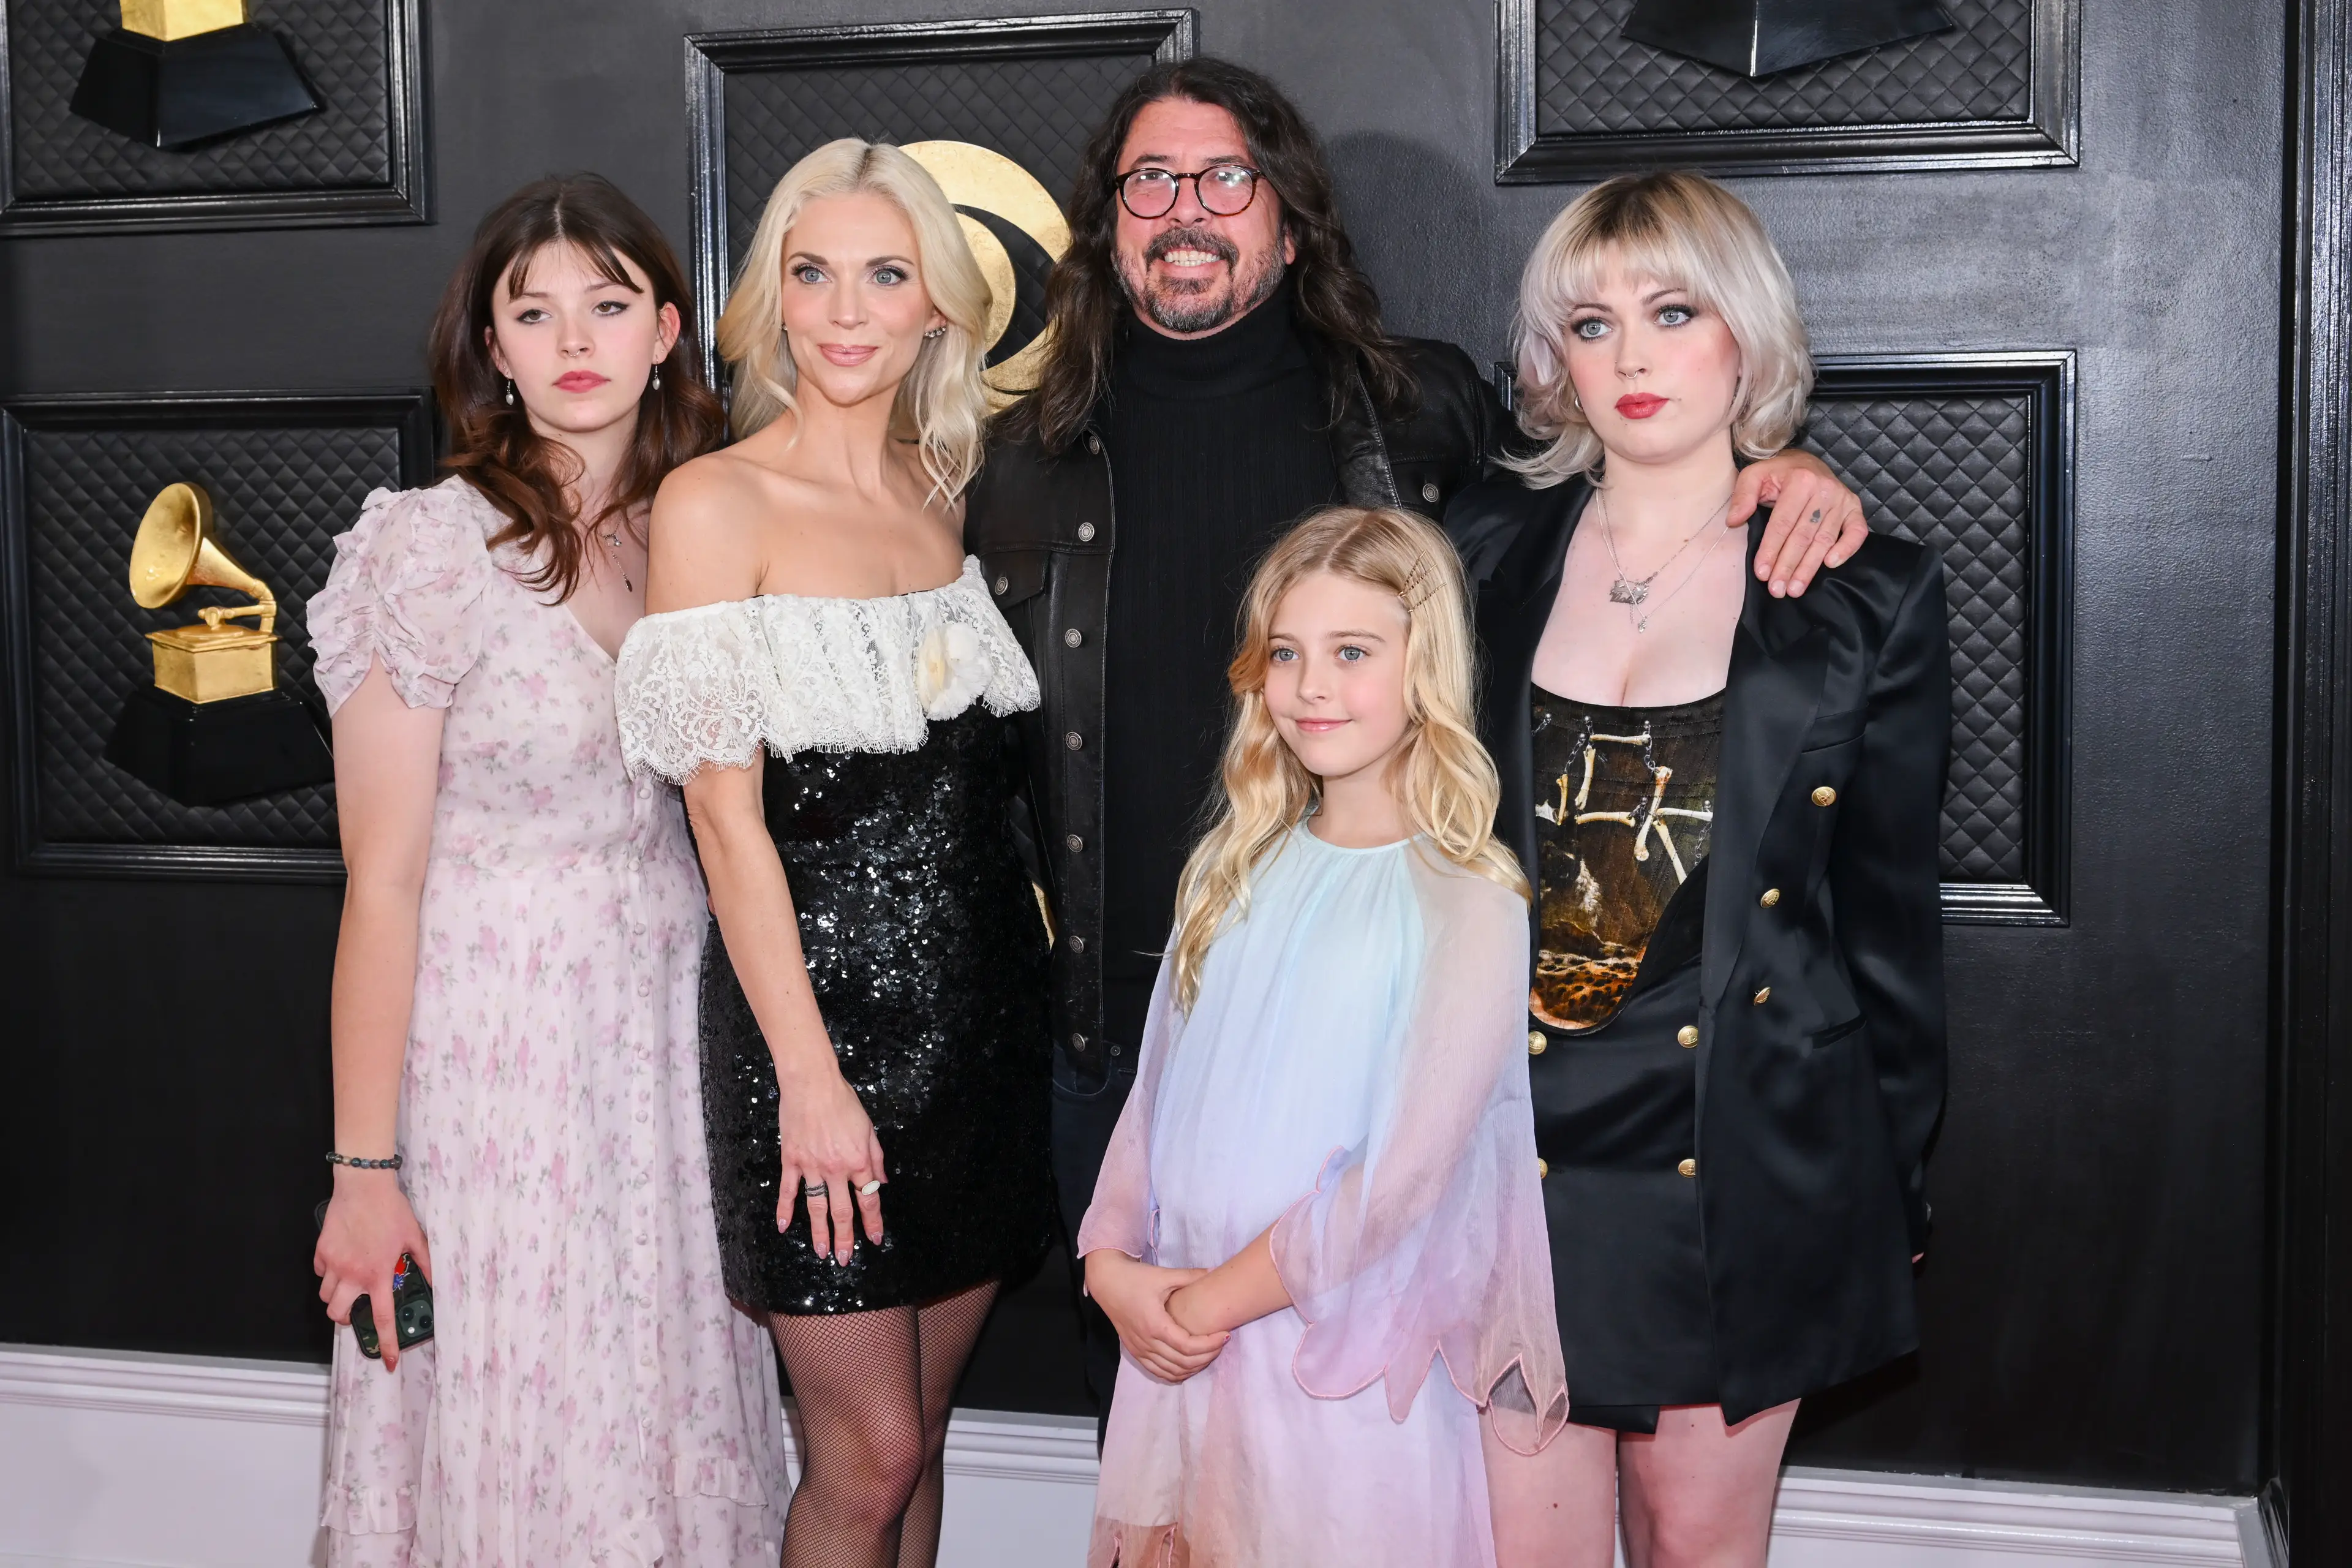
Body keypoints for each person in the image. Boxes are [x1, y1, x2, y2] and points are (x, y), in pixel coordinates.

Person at [960, 55, 1877, 1422]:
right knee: (1173, 1442)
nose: (1186, 208)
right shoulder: (1018, 460)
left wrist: (1777, 464)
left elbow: (1621, 500)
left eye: (1226, 176)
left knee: (1374, 1446)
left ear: (1287, 213)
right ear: (1107, 219)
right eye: (1150, 180)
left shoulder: (1422, 412)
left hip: (1382, 1024)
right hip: (1137, 1036)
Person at [1451, 170, 1950, 1568]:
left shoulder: (1868, 592)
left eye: (1673, 312)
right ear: (1554, 362)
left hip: (1743, 1144)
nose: (1634, 356)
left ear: (1745, 335)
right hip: (1511, 1146)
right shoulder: (1475, 551)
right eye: (1592, 325)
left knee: (1698, 1548)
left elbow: (1889, 920)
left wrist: (1897, 1173)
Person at [309, 175, 786, 1566]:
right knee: (518, 1426)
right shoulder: (429, 546)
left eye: (607, 303)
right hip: (489, 1072)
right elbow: (380, 882)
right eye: (536, 310)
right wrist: (363, 1168)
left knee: (659, 1408)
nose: (573, 336)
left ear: (665, 332)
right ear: (495, 350)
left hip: (663, 1065)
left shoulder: (707, 533)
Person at [613, 140, 1052, 1568]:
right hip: (815, 1041)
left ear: (939, 303)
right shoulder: (715, 503)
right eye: (812, 274)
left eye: (885, 273)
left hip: (980, 1032)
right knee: (864, 1458)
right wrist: (809, 1079)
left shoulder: (948, 491)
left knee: (917, 1443)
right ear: (771, 302)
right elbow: (724, 823)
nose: (847, 310)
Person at [1076, 505, 1567, 1567]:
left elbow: (1402, 1177)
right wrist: (1111, 1264)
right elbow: (1152, 1101)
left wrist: (1208, 1303)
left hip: (1331, 1357)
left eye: (1352, 653)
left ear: (1423, 665)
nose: (1310, 688)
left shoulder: (1466, 898)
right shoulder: (1230, 869)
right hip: (1179, 1340)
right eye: (1287, 655)